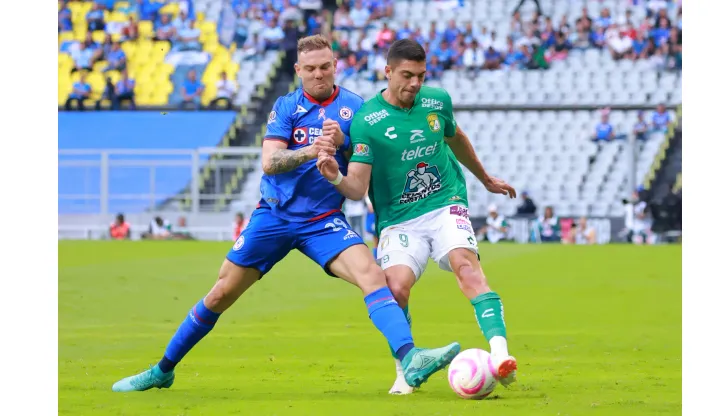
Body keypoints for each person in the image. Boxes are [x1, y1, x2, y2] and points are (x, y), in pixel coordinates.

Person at [111, 35, 459, 393]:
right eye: (310, 69)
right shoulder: (286, 107)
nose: (319, 75)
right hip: (274, 217)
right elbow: (270, 162)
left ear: (336, 66)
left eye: (325, 67)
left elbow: (361, 170)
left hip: (323, 221)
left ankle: (410, 357)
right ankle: (162, 369)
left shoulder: (358, 110)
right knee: (219, 295)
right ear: (298, 70)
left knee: (374, 276)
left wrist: (344, 143)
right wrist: (312, 149)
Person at [315, 38, 518, 395]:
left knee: (466, 266)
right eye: (407, 76)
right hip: (398, 219)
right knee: (395, 289)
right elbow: (357, 189)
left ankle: (500, 355)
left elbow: (456, 138)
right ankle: (404, 369)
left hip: (445, 202)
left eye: (421, 76)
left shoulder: (437, 101)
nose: (415, 84)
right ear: (388, 72)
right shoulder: (367, 122)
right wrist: (334, 174)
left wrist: (485, 179)